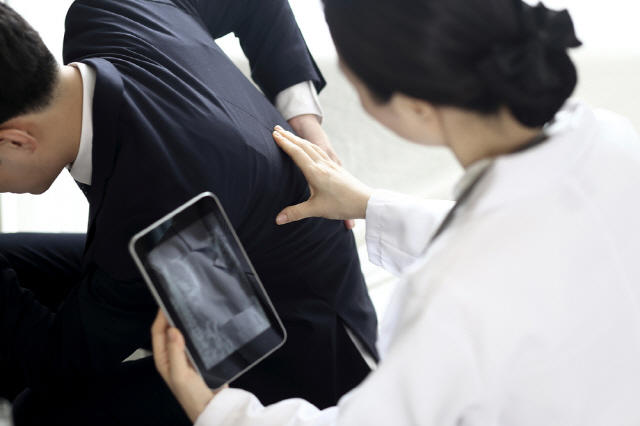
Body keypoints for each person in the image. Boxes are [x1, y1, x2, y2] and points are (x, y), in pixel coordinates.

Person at [151, 0, 640, 424]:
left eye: (356, 84)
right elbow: (526, 248)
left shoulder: (446, 299)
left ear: (414, 107)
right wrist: (368, 204)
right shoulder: (611, 137)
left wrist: (218, 409)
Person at [0, 0, 379, 424]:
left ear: (16, 140)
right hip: (199, 259)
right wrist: (306, 124)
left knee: (38, 410)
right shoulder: (106, 10)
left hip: (297, 347)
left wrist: (305, 123)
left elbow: (55, 360)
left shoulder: (157, 194)